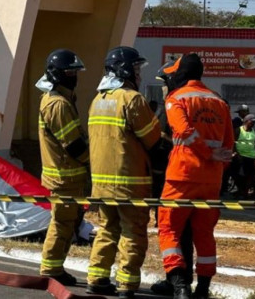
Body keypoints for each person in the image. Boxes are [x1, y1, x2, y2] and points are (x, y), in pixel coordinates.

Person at [85, 47, 162, 298]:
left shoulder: (97, 100)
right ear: (125, 70)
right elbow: (152, 140)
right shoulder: (132, 99)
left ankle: (97, 278)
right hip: (130, 182)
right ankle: (127, 285)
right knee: (133, 232)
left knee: (107, 229)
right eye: (136, 69)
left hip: (102, 184)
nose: (138, 75)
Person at [157, 53, 234, 299]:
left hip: (182, 175)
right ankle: (203, 288)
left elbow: (183, 130)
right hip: (211, 180)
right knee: (204, 233)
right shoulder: (219, 102)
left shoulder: (175, 98)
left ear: (180, 74)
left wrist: (207, 153)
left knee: (169, 229)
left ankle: (179, 285)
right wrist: (215, 166)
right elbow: (229, 143)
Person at [35, 49, 88, 286]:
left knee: (68, 222)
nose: (73, 76)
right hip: (64, 176)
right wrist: (94, 162)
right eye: (69, 72)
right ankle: (51, 269)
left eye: (75, 71)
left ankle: (55, 267)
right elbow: (74, 146)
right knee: (62, 223)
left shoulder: (63, 99)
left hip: (68, 176)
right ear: (57, 74)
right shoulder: (58, 104)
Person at [148, 59, 194, 298]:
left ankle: (177, 283)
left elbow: (162, 145)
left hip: (172, 178)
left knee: (170, 230)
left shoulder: (174, 104)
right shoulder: (201, 100)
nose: (163, 88)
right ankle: (185, 281)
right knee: (186, 231)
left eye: (164, 83)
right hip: (196, 177)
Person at [234, 114, 255, 199]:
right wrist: (235, 153)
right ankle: (240, 190)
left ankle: (245, 192)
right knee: (240, 175)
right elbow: (233, 142)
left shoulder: (254, 131)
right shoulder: (238, 130)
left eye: (254, 122)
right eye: (252, 121)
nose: (253, 123)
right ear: (246, 121)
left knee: (250, 176)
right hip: (240, 157)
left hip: (251, 157)